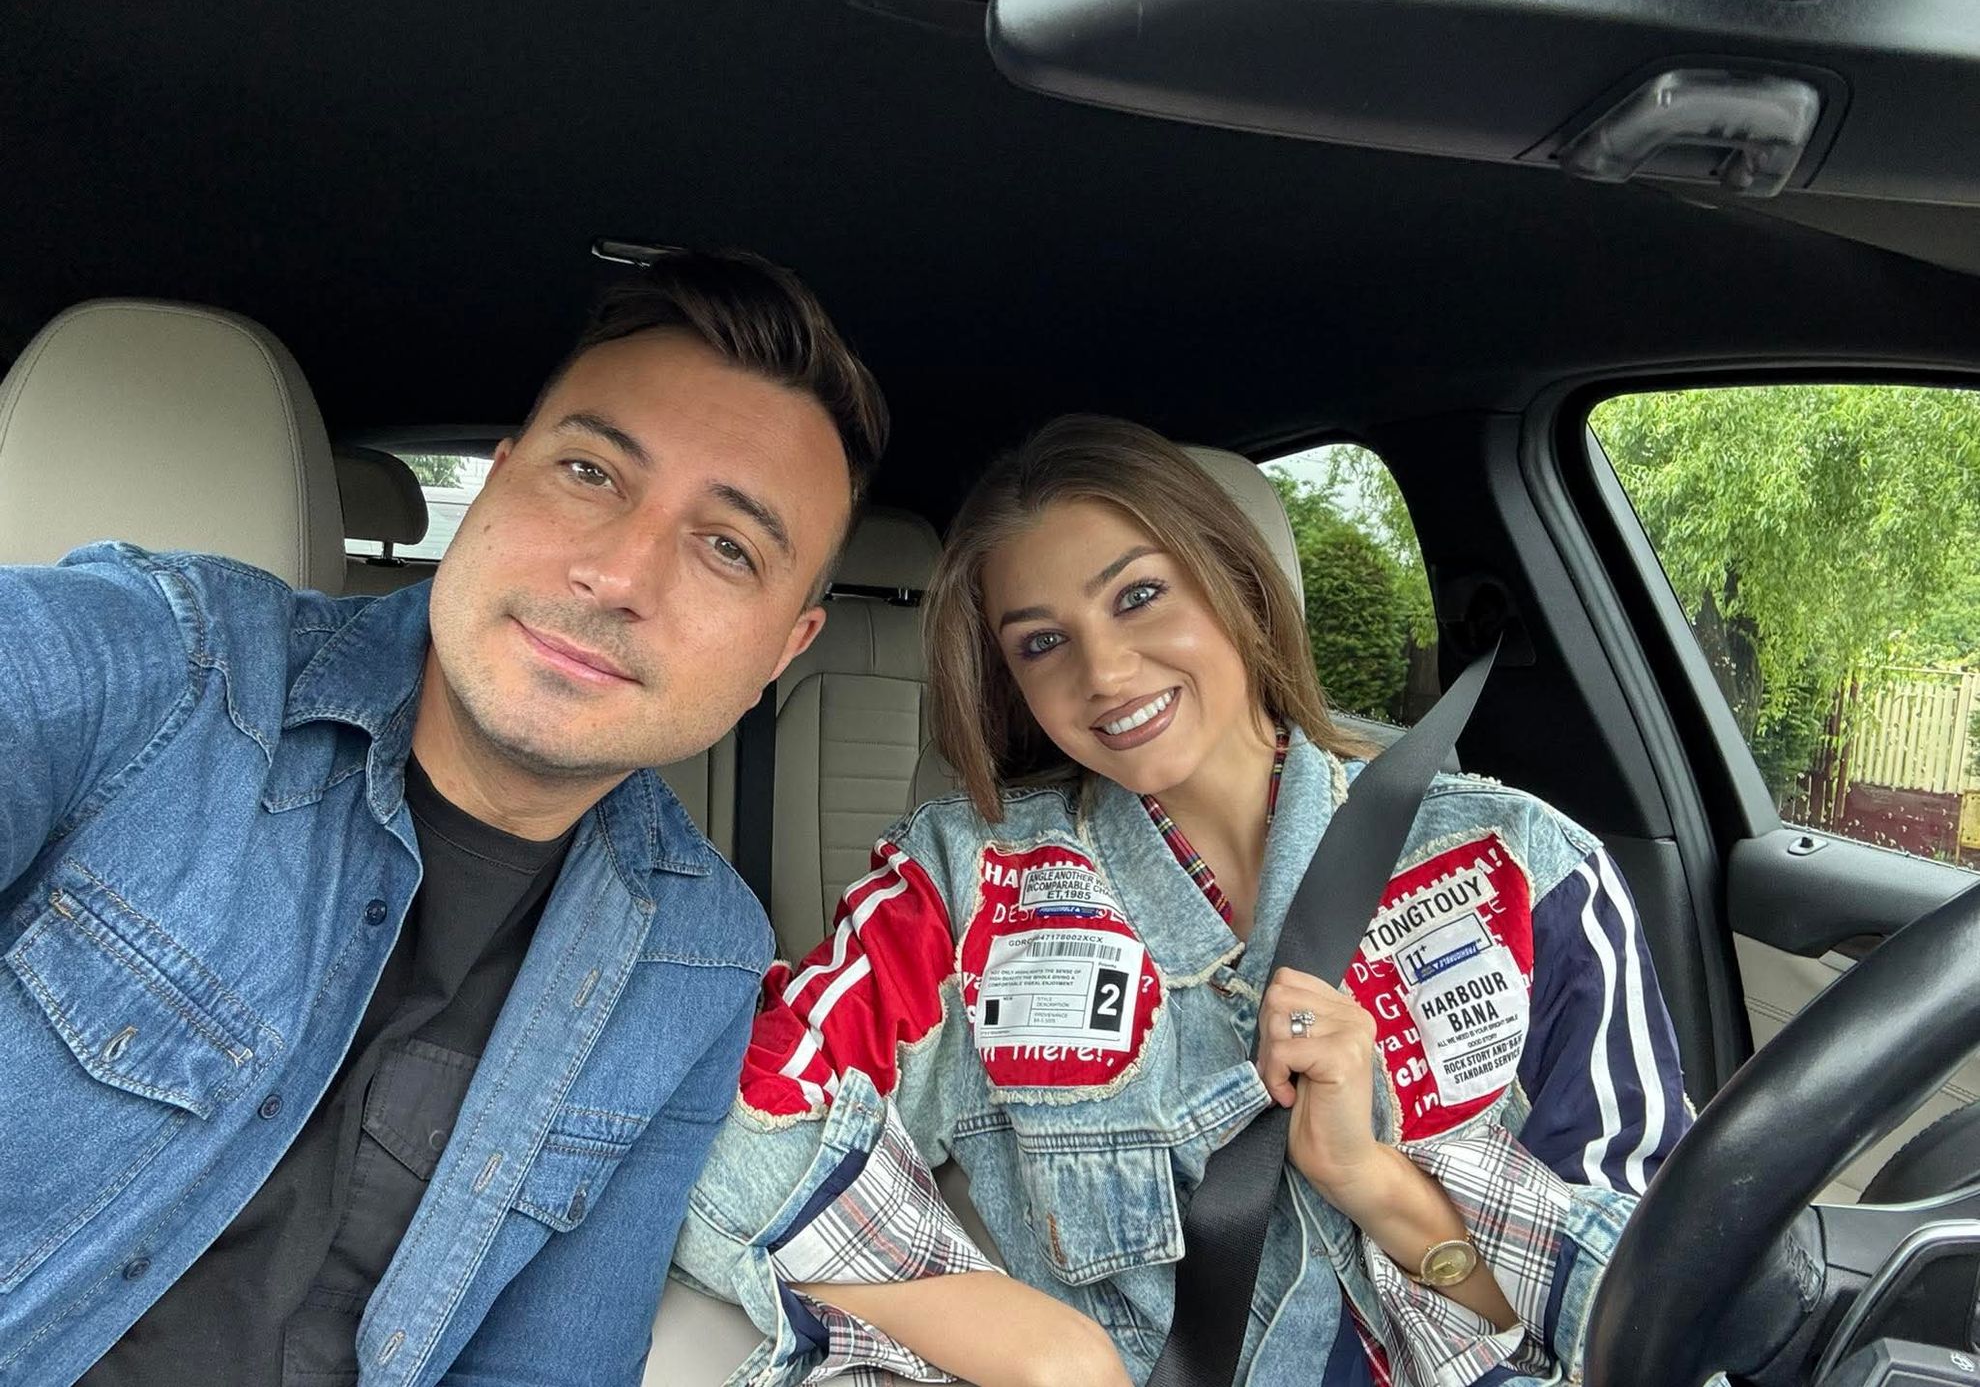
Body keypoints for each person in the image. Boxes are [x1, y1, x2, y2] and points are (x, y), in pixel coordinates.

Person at [0, 250, 888, 1386]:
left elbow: (549, 1366)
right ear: (499, 485)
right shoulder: (166, 663)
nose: (619, 574)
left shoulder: (700, 952)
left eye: (728, 547)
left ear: (784, 650)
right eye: (590, 472)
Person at [679, 415, 1692, 1387]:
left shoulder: (1523, 869)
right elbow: (719, 1120)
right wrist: (1036, 1349)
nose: (1106, 671)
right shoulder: (966, 887)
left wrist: (1379, 1187)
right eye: (1041, 643)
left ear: (1235, 584)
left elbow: (1660, 1306)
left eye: (1139, 595)